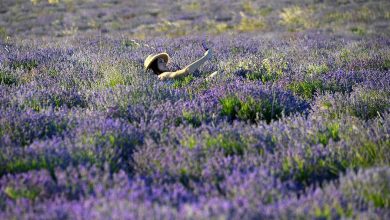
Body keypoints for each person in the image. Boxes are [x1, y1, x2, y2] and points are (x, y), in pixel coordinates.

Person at [144, 49, 214, 80]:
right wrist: (206, 57)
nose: (164, 63)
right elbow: (186, 72)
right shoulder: (164, 75)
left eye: (163, 61)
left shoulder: (158, 79)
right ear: (154, 67)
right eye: (160, 62)